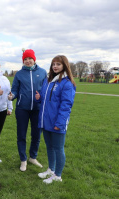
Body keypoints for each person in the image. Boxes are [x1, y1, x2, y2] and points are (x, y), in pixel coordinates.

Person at [36, 55, 76, 184]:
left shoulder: (67, 83)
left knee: (58, 148)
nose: (55, 66)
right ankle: (51, 170)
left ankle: (58, 175)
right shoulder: (48, 81)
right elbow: (47, 100)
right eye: (53, 64)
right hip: (46, 121)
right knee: (49, 147)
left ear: (64, 66)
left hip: (58, 122)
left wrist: (60, 123)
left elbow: (66, 105)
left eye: (58, 64)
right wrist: (40, 97)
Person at [8, 49, 47, 171]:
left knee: (36, 135)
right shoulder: (19, 74)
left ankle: (33, 157)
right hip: (22, 109)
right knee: (21, 135)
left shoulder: (42, 72)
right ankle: (23, 159)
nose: (28, 61)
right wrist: (12, 96)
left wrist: (41, 97)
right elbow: (14, 90)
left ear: (34, 59)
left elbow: (45, 89)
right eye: (25, 59)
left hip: (37, 109)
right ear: (23, 61)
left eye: (30, 58)